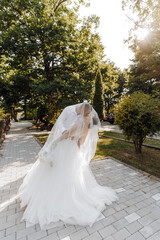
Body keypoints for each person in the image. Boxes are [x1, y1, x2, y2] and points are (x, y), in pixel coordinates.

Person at [17, 102, 118, 230]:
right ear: (83, 110)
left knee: (59, 170)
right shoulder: (78, 117)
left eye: (87, 114)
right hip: (72, 148)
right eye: (86, 113)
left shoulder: (82, 119)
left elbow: (67, 135)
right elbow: (79, 137)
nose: (86, 115)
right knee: (69, 172)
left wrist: (53, 144)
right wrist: (77, 148)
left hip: (65, 147)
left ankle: (55, 196)